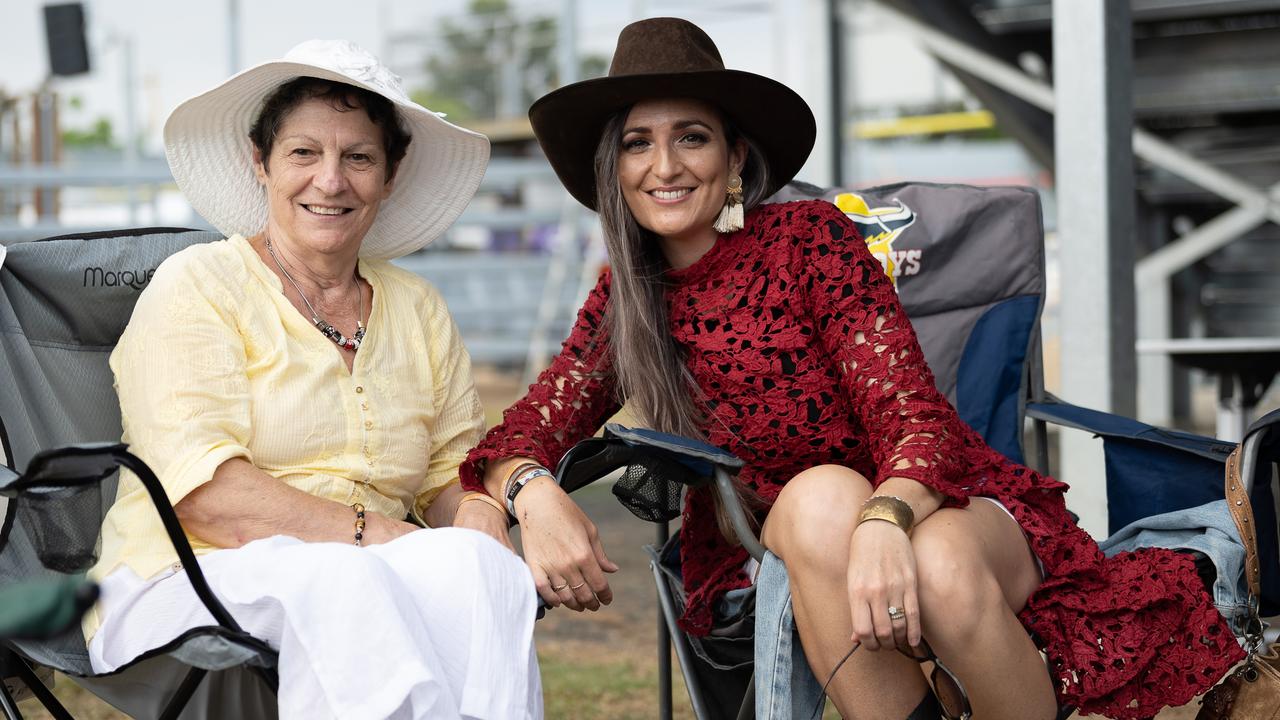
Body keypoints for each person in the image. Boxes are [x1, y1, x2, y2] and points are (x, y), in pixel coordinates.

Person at [459, 17, 1242, 720]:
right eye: (638, 142)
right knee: (814, 497)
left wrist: (885, 520)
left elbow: (914, 416)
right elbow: (521, 433)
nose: (665, 165)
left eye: (691, 136)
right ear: (614, 168)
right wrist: (534, 494)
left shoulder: (811, 242)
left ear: (734, 155)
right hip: (798, 535)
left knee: (921, 558)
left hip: (938, 504)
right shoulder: (627, 300)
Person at [85, 40, 540, 720]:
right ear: (259, 163)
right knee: (342, 579)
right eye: (303, 153)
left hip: (374, 574)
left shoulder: (416, 307)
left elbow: (451, 468)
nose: (331, 180)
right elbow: (205, 495)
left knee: (485, 570)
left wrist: (475, 509)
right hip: (183, 576)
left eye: (358, 157)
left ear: (389, 176)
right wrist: (379, 535)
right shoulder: (199, 287)